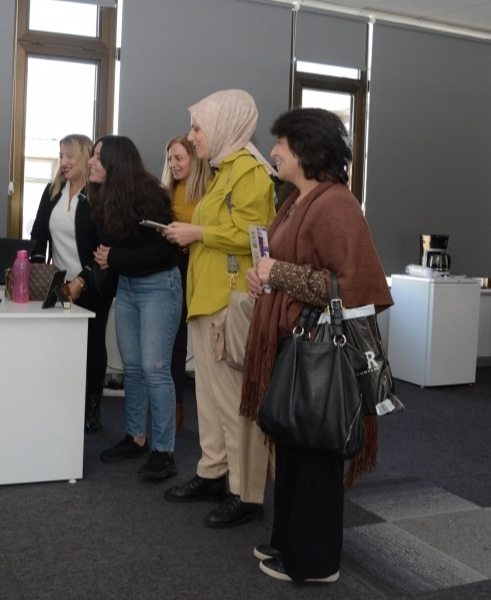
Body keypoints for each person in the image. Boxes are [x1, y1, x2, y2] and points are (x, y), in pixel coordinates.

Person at [241, 108, 393, 583]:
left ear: (305, 149)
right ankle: (289, 543)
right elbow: (288, 264)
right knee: (294, 448)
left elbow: (352, 286)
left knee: (314, 456)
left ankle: (315, 563)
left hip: (319, 350)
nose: (273, 152)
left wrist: (279, 273)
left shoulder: (335, 205)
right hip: (296, 341)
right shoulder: (298, 200)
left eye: (281, 143)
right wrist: (263, 278)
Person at [160, 89, 275, 527]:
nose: (192, 137)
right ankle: (212, 471)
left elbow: (254, 233)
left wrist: (196, 233)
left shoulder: (249, 172)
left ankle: (246, 492)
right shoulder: (223, 170)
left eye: (197, 128)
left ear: (224, 126)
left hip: (230, 301)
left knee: (233, 403)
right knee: (208, 399)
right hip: (207, 299)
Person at [93, 135, 183, 480]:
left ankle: (164, 451)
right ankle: (136, 437)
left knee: (154, 369)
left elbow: (164, 251)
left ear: (115, 162)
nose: (91, 162)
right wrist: (114, 258)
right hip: (128, 286)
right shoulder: (104, 195)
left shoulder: (150, 195)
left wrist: (115, 258)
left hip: (158, 285)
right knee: (132, 368)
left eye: (97, 156)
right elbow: (107, 248)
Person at [30, 134, 115, 433]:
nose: (63, 162)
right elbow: (38, 235)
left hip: (93, 281)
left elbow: (104, 246)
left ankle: (91, 409)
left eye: (70, 156)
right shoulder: (53, 190)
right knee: (59, 346)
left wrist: (82, 280)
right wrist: (38, 268)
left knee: (92, 345)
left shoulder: (98, 195)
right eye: (61, 156)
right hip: (59, 282)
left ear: (84, 157)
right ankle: (62, 403)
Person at [161, 135, 212, 430]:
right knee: (175, 342)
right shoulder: (167, 191)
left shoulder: (210, 190)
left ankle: (210, 415)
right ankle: (176, 409)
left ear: (195, 158)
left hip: (202, 268)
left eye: (179, 158)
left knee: (207, 343)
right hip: (174, 268)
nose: (173, 164)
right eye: (170, 159)